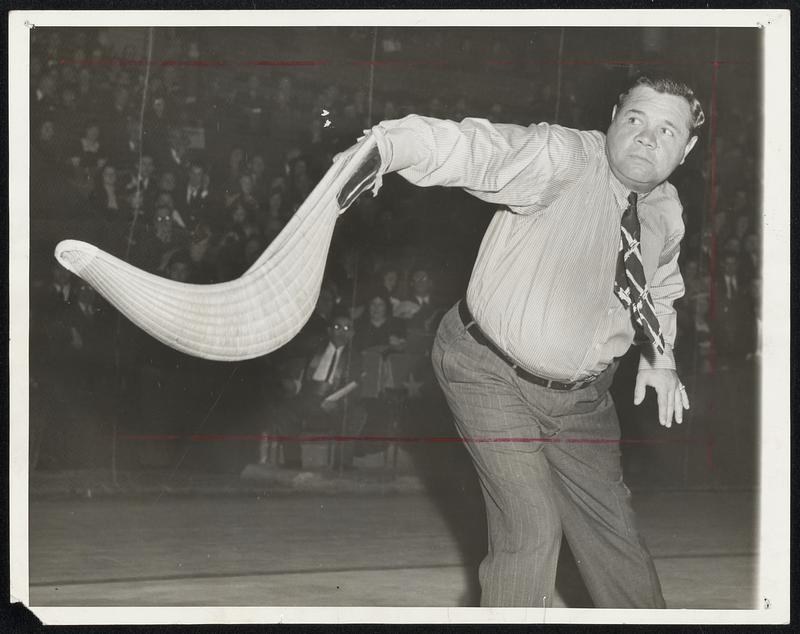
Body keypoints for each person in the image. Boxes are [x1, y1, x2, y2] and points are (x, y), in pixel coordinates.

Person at [338, 75, 703, 608]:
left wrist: (660, 356)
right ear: (612, 119)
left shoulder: (666, 209)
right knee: (530, 531)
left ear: (687, 148)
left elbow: (662, 284)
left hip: (584, 401)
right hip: (488, 369)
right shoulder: (565, 159)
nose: (647, 137)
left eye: (667, 130)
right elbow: (481, 148)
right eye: (635, 120)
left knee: (616, 541)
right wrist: (392, 144)